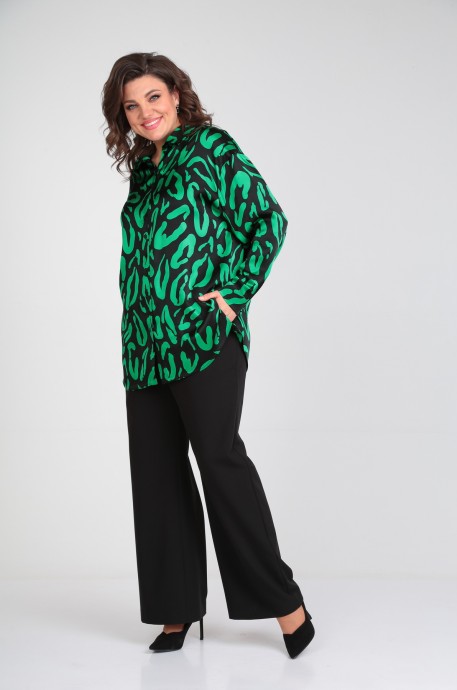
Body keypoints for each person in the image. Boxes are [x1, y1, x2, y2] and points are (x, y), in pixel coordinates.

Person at [101, 52, 315, 659]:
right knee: (156, 473)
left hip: (202, 338)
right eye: (132, 105)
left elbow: (268, 220)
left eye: (154, 97)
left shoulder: (211, 149)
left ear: (176, 94)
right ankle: (176, 611)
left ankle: (287, 607)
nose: (145, 112)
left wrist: (235, 294)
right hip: (145, 344)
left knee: (220, 461)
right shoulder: (144, 170)